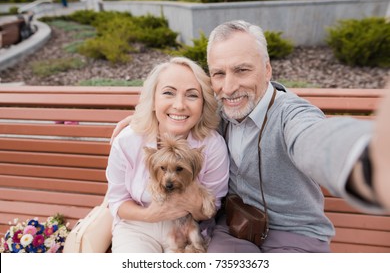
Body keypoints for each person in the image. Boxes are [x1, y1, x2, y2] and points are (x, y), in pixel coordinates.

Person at [111, 20, 390, 253]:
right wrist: (143, 123)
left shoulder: (291, 116)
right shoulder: (219, 112)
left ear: (267, 69)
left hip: (294, 235)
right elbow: (176, 115)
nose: (230, 86)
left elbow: (315, 138)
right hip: (233, 229)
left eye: (242, 70)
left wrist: (367, 159)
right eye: (219, 74)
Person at [106, 57, 230, 253]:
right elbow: (117, 202)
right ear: (153, 101)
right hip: (137, 226)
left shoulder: (212, 145)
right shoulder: (128, 140)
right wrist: (151, 214)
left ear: (203, 104)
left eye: (192, 95)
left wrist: (194, 205)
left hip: (188, 228)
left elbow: (212, 207)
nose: (179, 105)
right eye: (168, 93)